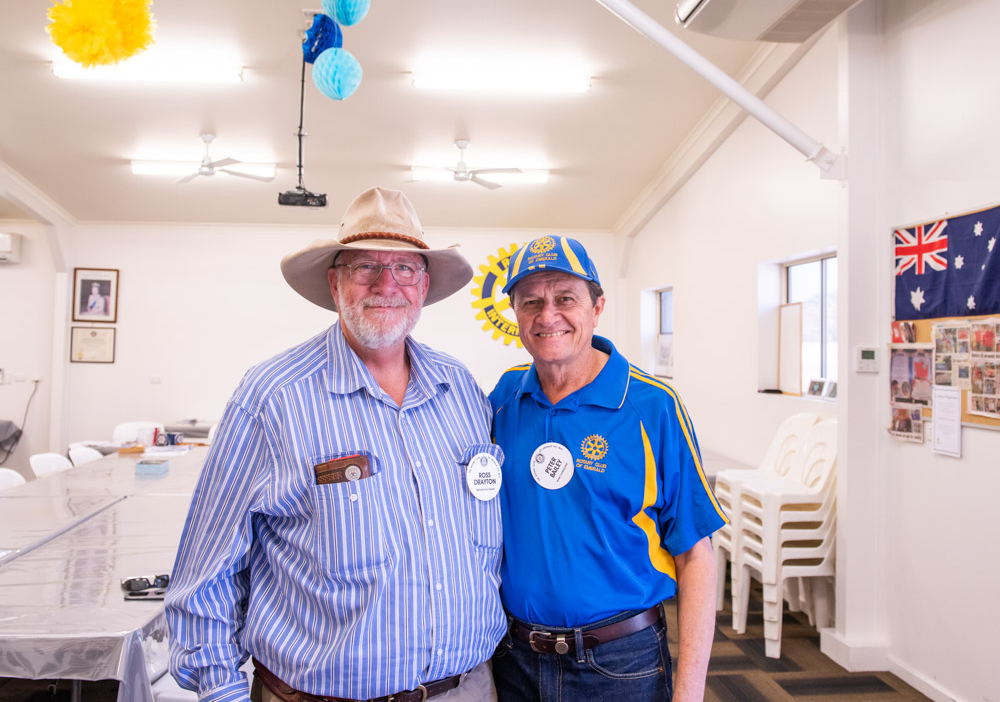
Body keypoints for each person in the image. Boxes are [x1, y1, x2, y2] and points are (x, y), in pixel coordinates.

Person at [165, 187, 505, 702]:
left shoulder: (461, 390)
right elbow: (206, 570)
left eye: (405, 268)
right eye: (364, 266)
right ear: (334, 282)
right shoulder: (271, 397)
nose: (386, 284)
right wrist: (220, 688)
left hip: (468, 689)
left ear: (425, 284)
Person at [489, 235, 726, 702]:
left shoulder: (652, 406)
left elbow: (696, 554)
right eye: (531, 301)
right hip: (514, 657)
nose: (547, 315)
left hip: (620, 664)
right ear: (515, 314)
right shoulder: (504, 399)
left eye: (565, 299)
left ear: (597, 308)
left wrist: (691, 692)